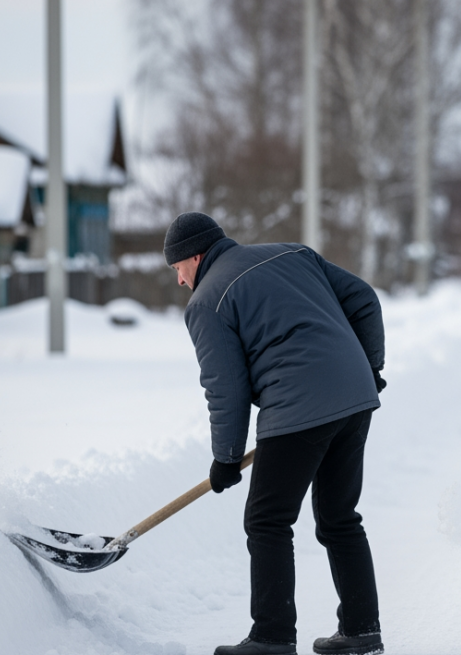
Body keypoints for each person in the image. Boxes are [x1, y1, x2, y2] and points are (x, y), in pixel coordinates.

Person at [165, 212, 387, 655]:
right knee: (340, 518)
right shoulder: (293, 253)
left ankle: (272, 637)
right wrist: (370, 366)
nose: (179, 281)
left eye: (177, 269)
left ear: (195, 255)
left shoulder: (207, 301)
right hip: (355, 396)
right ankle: (362, 631)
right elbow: (364, 299)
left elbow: (225, 388)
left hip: (298, 407)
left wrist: (226, 457)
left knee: (267, 520)